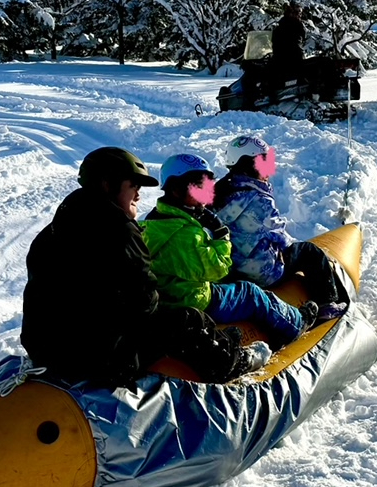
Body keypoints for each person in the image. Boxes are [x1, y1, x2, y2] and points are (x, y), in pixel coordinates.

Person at [20, 146, 267, 387]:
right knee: (187, 319)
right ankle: (233, 364)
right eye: (133, 186)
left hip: (48, 351)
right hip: (98, 360)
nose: (138, 195)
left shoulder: (53, 231)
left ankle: (219, 339)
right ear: (107, 184)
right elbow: (145, 305)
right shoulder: (118, 232)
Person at [141, 152, 314, 349]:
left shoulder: (155, 220)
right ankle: (296, 323)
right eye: (197, 186)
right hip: (192, 299)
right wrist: (222, 236)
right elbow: (219, 268)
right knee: (250, 293)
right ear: (176, 190)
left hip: (171, 292)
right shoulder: (185, 234)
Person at [214, 135, 350, 316]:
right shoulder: (260, 200)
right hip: (263, 273)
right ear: (250, 165)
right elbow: (280, 238)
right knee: (309, 252)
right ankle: (327, 303)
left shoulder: (218, 195)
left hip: (232, 272)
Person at [270, 2, 306, 76]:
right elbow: (303, 36)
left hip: (282, 58)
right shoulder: (296, 24)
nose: (299, 15)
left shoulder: (280, 25)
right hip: (292, 57)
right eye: (298, 13)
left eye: (300, 13)